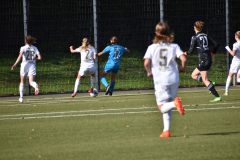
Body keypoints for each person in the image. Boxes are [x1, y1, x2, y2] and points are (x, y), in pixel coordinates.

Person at [144, 22, 186, 138]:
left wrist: (149, 72)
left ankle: (174, 103)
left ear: (156, 33)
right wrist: (182, 67)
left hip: (160, 79)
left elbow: (146, 62)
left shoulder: (152, 47)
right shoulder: (174, 46)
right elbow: (183, 58)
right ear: (168, 32)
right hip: (173, 77)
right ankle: (166, 131)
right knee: (167, 104)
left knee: (162, 106)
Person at [184, 20, 221, 102]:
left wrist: (185, 53)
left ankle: (217, 96)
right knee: (193, 75)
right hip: (208, 59)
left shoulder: (195, 37)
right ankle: (211, 83)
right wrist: (213, 52)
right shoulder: (206, 35)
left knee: (204, 80)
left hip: (204, 60)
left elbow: (190, 51)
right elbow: (216, 44)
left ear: (195, 27)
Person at [11, 35, 42, 103]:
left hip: (24, 66)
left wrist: (14, 65)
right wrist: (34, 58)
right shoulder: (35, 48)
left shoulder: (23, 48)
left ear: (26, 41)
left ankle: (21, 98)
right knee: (31, 82)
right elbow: (40, 58)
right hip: (32, 66)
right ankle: (36, 87)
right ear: (31, 41)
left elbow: (19, 57)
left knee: (22, 82)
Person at [224, 31, 240, 95]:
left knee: (230, 75)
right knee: (238, 78)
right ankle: (226, 91)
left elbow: (233, 54)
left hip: (236, 62)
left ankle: (226, 91)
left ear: (236, 36)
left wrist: (228, 49)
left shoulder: (236, 44)